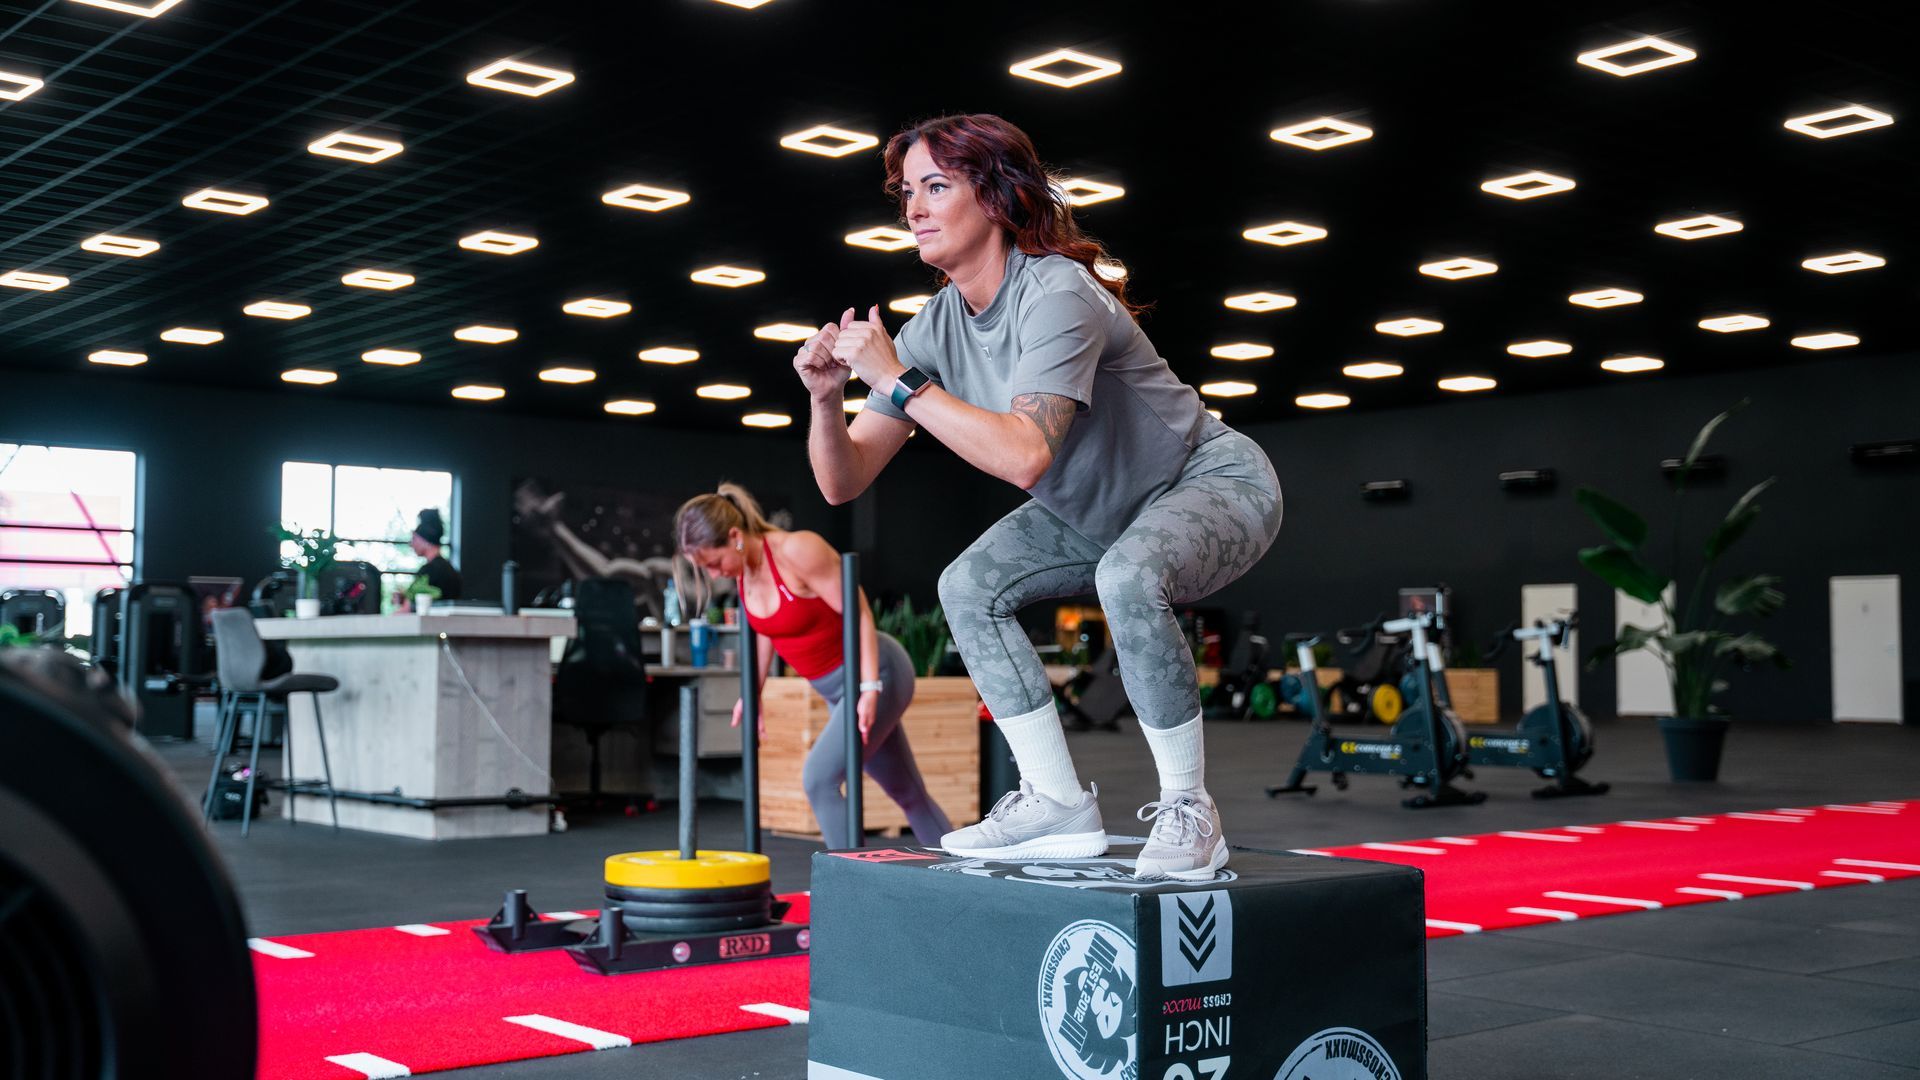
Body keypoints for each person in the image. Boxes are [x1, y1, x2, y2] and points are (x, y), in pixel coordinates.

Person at [792, 114, 1282, 880]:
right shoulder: (935, 328)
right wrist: (826, 400)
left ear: (994, 196)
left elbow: (1025, 456)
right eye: (907, 193)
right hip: (1100, 515)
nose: (914, 209)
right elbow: (842, 480)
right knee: (968, 585)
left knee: (1128, 574)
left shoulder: (1057, 291)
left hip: (1212, 481)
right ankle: (1056, 802)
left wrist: (898, 380)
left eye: (935, 187)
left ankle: (1190, 809)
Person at [675, 483, 952, 849]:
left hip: (878, 672)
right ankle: (963, 870)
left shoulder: (796, 551)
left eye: (713, 564)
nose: (714, 575)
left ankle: (848, 876)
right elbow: (766, 631)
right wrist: (753, 694)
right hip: (838, 691)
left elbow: (859, 611)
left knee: (819, 780)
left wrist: (869, 686)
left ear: (735, 537)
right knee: (906, 791)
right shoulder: (745, 572)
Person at [410, 509, 462, 600]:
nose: (411, 544)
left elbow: (410, 605)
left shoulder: (427, 572)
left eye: (414, 539)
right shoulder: (452, 571)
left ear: (425, 541)